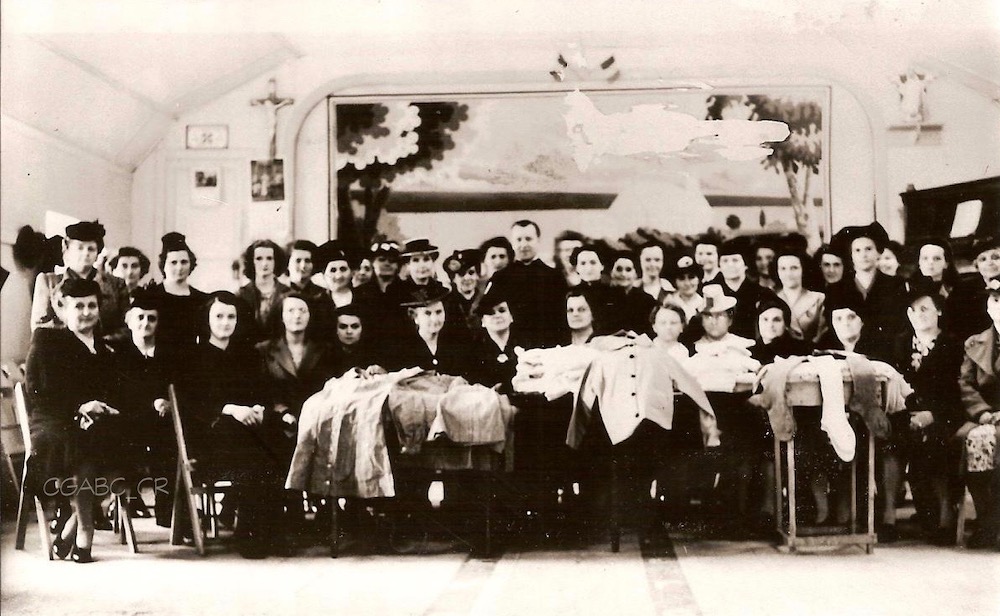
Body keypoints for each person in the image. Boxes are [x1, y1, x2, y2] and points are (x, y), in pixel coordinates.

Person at [24, 278, 123, 563]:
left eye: (92, 305)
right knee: (82, 440)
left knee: (123, 435)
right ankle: (87, 530)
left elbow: (113, 391)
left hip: (96, 420)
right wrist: (79, 407)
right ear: (61, 307)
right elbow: (38, 391)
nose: (86, 311)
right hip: (54, 420)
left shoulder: (104, 350)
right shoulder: (47, 341)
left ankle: (73, 525)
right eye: (78, 306)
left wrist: (107, 408)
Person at [177, 291, 282, 558]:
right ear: (207, 319)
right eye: (219, 316)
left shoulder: (247, 355)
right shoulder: (193, 357)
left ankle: (267, 528)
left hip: (246, 430)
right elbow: (193, 404)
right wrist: (231, 409)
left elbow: (262, 392)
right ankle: (248, 531)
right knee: (249, 447)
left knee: (272, 438)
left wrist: (258, 409)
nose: (225, 322)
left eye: (231, 317)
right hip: (210, 437)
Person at [889, 290, 965, 544]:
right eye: (913, 311)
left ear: (938, 311)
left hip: (942, 414)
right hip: (906, 413)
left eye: (925, 309)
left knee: (938, 444)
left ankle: (945, 516)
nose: (918, 315)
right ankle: (888, 517)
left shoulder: (954, 346)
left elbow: (958, 391)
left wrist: (932, 414)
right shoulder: (899, 343)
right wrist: (907, 413)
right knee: (891, 443)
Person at [111, 290, 179, 527]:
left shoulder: (169, 354)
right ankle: (124, 502)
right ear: (129, 320)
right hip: (130, 422)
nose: (145, 323)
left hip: (164, 423)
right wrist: (150, 404)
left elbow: (176, 386)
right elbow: (119, 395)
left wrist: (167, 403)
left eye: (151, 318)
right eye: (140, 317)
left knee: (173, 444)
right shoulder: (118, 355)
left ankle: (169, 511)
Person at [955, 274, 1000, 550]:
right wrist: (983, 413)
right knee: (973, 442)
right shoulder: (975, 343)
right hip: (985, 417)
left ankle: (991, 524)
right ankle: (989, 519)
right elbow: (965, 384)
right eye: (995, 300)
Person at [31, 221, 129, 339]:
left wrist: (101, 344)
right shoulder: (49, 282)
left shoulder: (116, 284)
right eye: (80, 248)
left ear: (98, 253)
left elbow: (127, 327)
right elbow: (40, 326)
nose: (85, 253)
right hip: (62, 353)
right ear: (67, 249)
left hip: (106, 352)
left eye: (91, 249)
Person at [825, 223, 908, 351]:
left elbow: (900, 323)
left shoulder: (895, 284)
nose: (863, 255)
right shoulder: (836, 289)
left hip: (887, 350)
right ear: (851, 256)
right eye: (857, 250)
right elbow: (832, 327)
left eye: (868, 249)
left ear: (878, 253)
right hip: (848, 351)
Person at [488, 220, 567, 348]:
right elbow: (487, 313)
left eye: (528, 239)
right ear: (512, 243)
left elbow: (562, 317)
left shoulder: (554, 276)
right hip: (512, 347)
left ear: (538, 240)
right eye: (518, 239)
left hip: (548, 346)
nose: (523, 244)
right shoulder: (500, 277)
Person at [146, 232, 209, 351]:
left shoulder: (201, 299)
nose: (179, 268)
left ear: (191, 264)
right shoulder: (151, 295)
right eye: (173, 262)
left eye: (184, 262)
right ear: (163, 265)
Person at [392, 287, 472, 375]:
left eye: (439, 312)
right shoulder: (405, 348)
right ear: (415, 317)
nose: (434, 319)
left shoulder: (455, 343)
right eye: (427, 313)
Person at [717, 239, 775, 340]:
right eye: (725, 261)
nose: (730, 265)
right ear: (719, 266)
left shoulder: (763, 293)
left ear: (745, 264)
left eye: (735, 260)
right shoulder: (712, 292)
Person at [467, 285, 521, 390]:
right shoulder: (473, 350)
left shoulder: (525, 343)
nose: (497, 316)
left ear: (511, 317)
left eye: (502, 310)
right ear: (482, 321)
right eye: (490, 313)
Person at [237, 239, 290, 342]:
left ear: (276, 261)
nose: (264, 263)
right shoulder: (241, 295)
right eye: (259, 259)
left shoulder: (288, 293)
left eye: (269, 258)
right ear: (251, 262)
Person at [949, 237, 1000, 341]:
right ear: (976, 265)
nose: (989, 263)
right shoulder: (964, 290)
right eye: (983, 259)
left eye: (995, 257)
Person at [773, 250, 827, 343]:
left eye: (794, 268)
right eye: (783, 268)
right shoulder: (771, 298)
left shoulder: (819, 299)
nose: (788, 274)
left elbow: (822, 333)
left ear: (803, 269)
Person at [607, 250, 656, 335]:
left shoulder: (647, 300)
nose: (623, 274)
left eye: (628, 270)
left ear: (636, 273)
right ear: (612, 272)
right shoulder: (603, 297)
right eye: (619, 269)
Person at [442, 249, 482, 335]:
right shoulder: (446, 303)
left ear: (478, 276)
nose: (467, 278)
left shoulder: (486, 299)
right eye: (461, 274)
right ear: (453, 279)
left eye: (471, 273)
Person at [662, 255, 705, 324]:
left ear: (698, 279)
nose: (687, 283)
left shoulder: (704, 304)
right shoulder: (668, 303)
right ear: (675, 282)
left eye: (691, 277)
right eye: (681, 278)